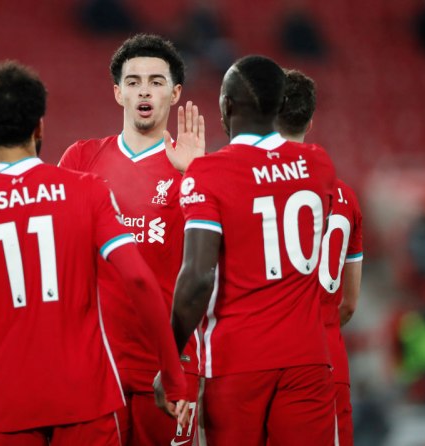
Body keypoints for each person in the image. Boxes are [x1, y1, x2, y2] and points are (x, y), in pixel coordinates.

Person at [0, 60, 188, 446]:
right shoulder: (87, 190)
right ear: (39, 127)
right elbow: (139, 279)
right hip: (85, 393)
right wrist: (173, 373)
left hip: (3, 400)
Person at [169, 55, 336, 446]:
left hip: (237, 363)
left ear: (227, 105)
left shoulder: (209, 173)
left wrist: (171, 356)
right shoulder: (318, 164)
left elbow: (197, 278)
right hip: (308, 357)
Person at [58, 33, 205, 446]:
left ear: (175, 93)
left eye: (156, 82)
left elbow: (211, 264)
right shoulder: (80, 159)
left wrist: (194, 175)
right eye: (133, 81)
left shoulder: (195, 168)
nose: (144, 90)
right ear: (117, 92)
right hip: (97, 362)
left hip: (171, 360)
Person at [275, 68, 363, 446]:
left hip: (265, 356)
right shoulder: (345, 196)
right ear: (310, 122)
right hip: (326, 356)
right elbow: (350, 303)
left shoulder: (253, 187)